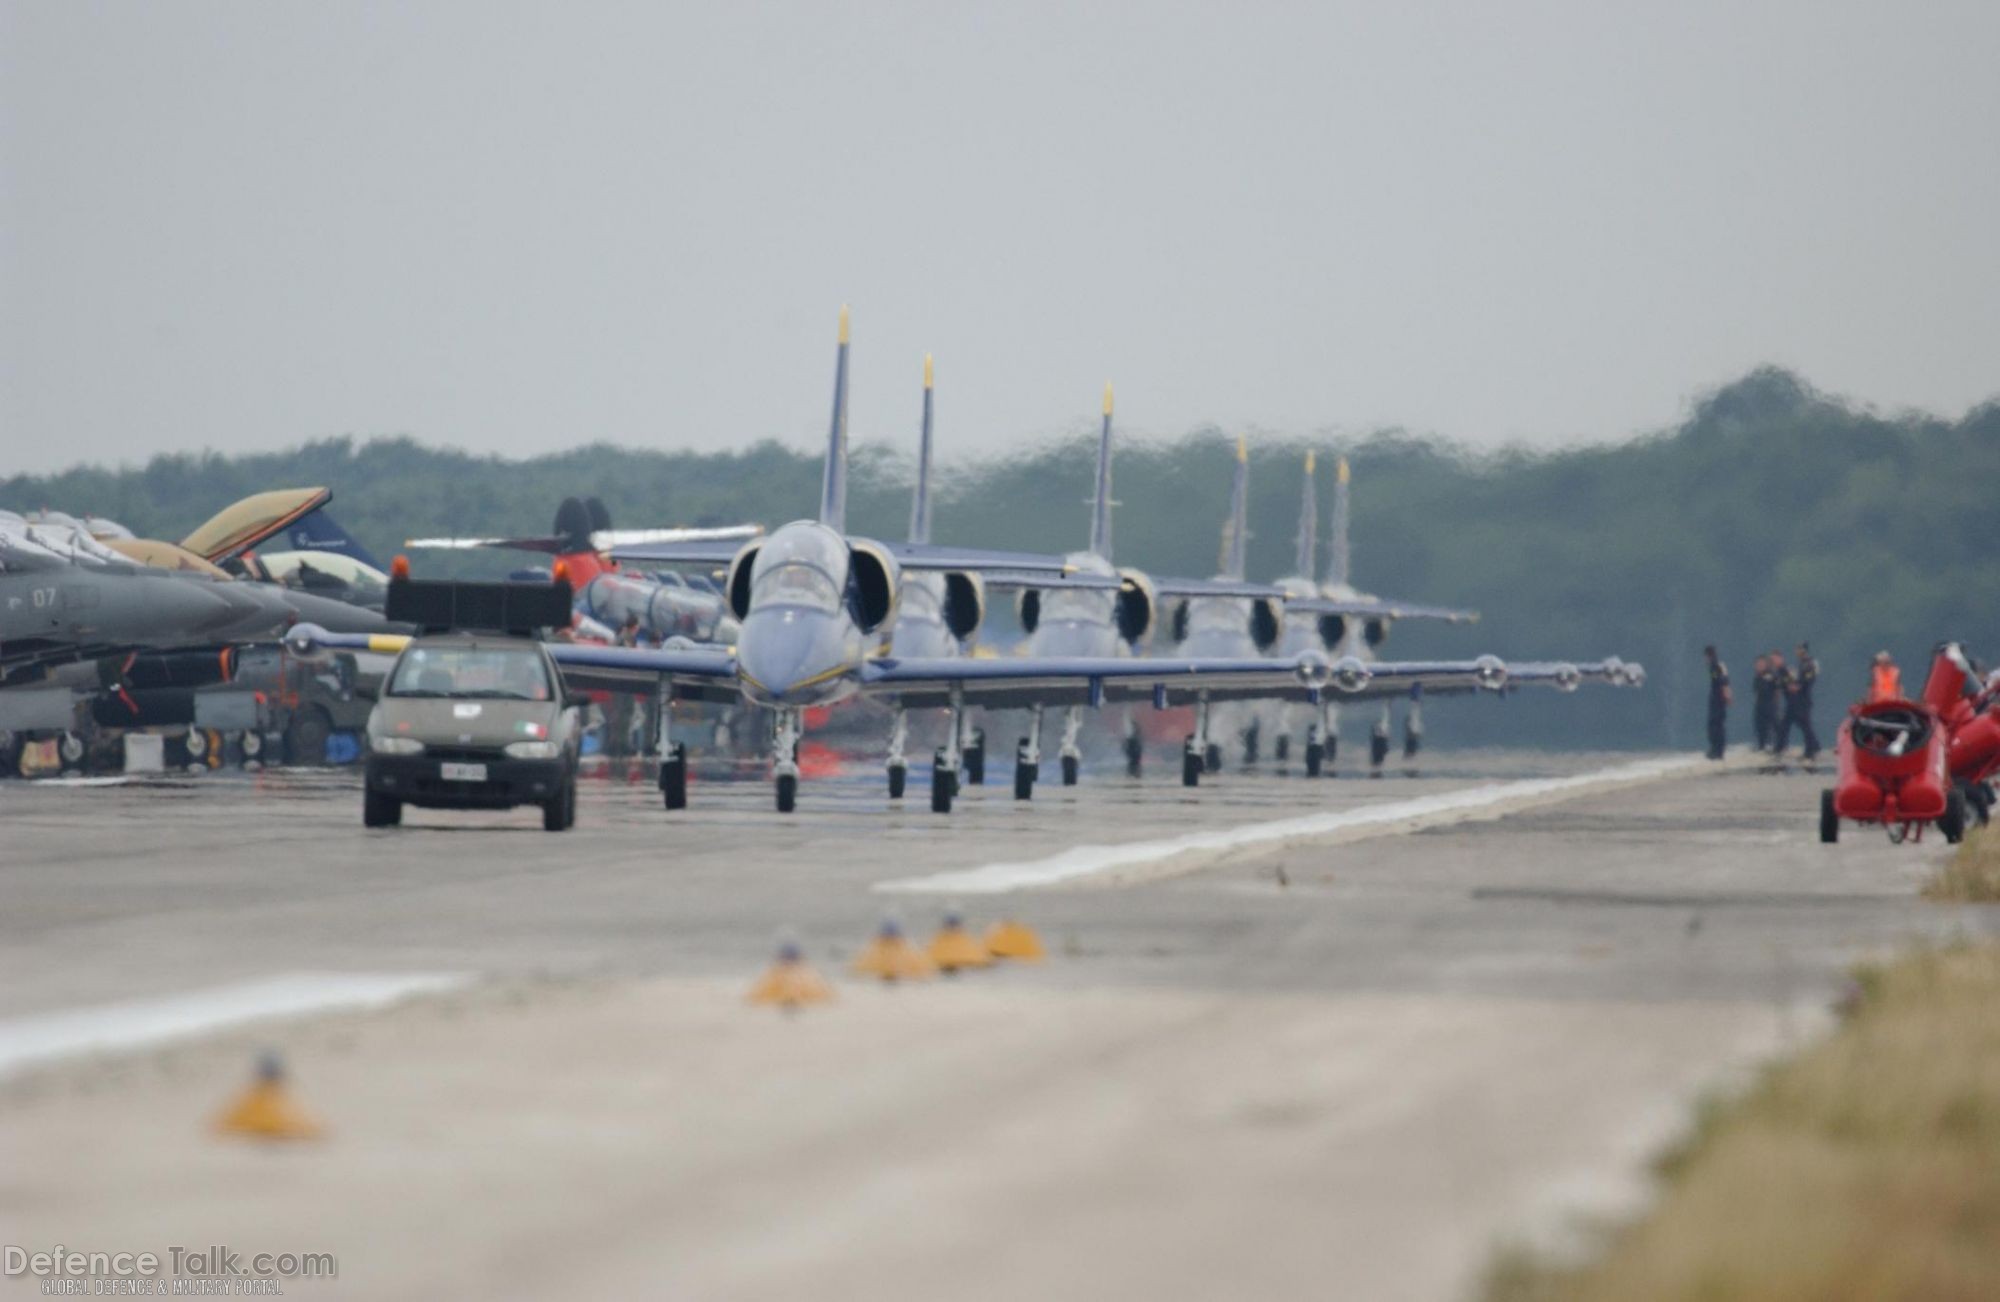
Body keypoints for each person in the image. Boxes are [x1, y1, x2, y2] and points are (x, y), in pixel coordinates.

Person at [1775, 641, 1820, 760]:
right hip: (1794, 700)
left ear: (1804, 650)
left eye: (1799, 649)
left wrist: (1799, 686)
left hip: (1803, 699)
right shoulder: (1799, 664)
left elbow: (1809, 679)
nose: (1797, 652)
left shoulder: (1810, 663)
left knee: (1805, 726)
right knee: (1786, 724)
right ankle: (1779, 749)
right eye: (1796, 649)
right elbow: (1794, 678)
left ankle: (1810, 751)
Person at [1703, 645, 1731, 760]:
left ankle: (1717, 750)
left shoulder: (1715, 666)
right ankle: (1717, 750)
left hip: (1718, 700)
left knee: (1715, 725)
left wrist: (1727, 695)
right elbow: (1725, 680)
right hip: (1717, 699)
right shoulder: (1719, 666)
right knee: (1716, 725)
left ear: (1708, 656)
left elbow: (1723, 682)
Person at [1751, 653, 1777, 751]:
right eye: (1758, 664)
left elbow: (1776, 690)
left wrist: (1775, 704)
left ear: (1766, 664)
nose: (1759, 666)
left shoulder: (1771, 675)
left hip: (1769, 704)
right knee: (1760, 727)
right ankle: (1762, 746)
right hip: (1759, 706)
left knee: (1773, 726)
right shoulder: (1757, 677)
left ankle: (1776, 746)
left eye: (1761, 664)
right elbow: (1756, 692)